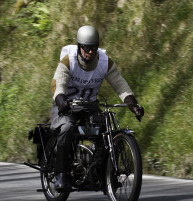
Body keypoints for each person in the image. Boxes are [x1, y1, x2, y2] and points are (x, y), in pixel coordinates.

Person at [50, 25, 144, 192]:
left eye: (93, 48)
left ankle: (103, 174)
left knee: (106, 128)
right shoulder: (68, 59)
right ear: (79, 47)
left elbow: (120, 84)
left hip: (89, 106)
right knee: (66, 128)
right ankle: (61, 173)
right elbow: (58, 83)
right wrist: (61, 100)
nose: (90, 52)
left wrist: (133, 105)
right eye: (86, 48)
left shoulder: (104, 62)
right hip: (66, 105)